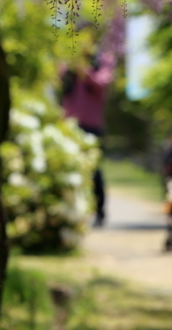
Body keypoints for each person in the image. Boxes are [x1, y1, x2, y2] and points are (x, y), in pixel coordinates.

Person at [61, 47, 116, 227]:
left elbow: (102, 83)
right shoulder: (70, 55)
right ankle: (71, 213)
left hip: (91, 123)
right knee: (67, 168)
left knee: (93, 169)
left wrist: (83, 70)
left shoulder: (103, 58)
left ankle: (99, 210)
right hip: (68, 122)